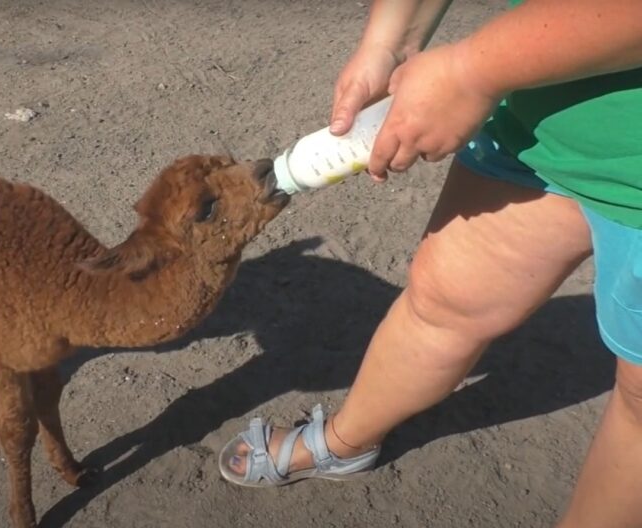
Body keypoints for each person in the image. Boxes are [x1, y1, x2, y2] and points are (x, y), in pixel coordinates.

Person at [217, 1, 642, 526]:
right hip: (539, 120)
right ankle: (344, 442)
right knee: (442, 300)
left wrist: (472, 72)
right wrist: (388, 42)